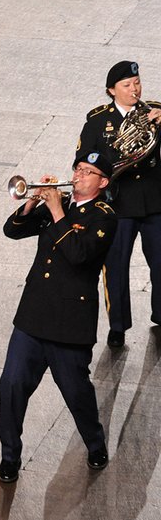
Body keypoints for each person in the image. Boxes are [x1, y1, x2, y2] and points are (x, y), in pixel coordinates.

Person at [0, 145, 118, 483]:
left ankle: (94, 444)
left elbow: (79, 256)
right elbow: (13, 230)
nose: (77, 175)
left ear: (102, 181)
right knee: (11, 385)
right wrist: (34, 201)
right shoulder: (57, 205)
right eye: (77, 169)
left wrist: (56, 212)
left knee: (76, 392)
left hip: (69, 322)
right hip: (34, 316)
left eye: (86, 172)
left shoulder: (104, 216)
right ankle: (9, 457)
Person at [76, 60, 161, 348]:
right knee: (115, 267)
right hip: (118, 205)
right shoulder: (98, 121)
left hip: (154, 201)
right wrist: (116, 153)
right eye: (127, 85)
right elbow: (83, 161)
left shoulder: (154, 113)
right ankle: (118, 326)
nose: (134, 88)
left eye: (137, 82)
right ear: (112, 90)